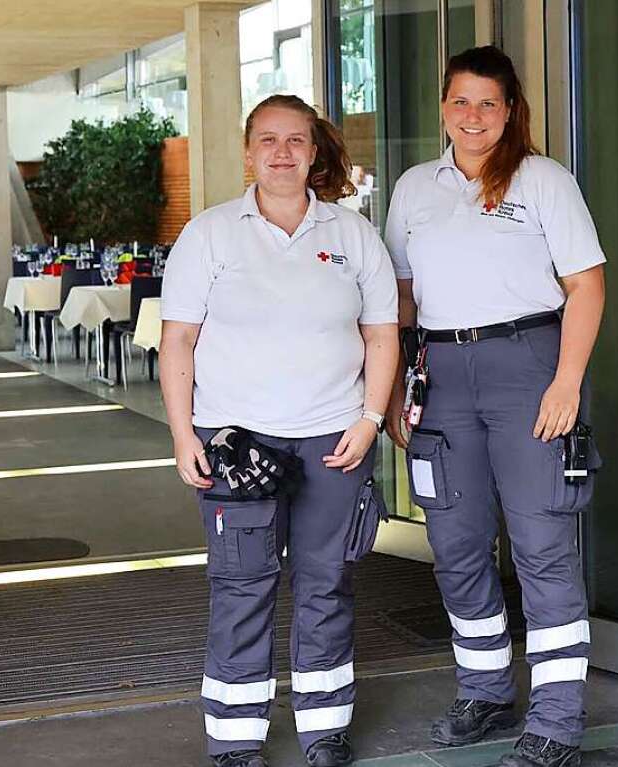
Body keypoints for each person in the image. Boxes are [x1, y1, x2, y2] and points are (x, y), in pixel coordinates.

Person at [159, 94, 399, 767]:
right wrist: (183, 434)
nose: (282, 153)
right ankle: (236, 741)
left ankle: (323, 730)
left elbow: (381, 333)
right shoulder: (208, 233)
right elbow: (177, 339)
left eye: (295, 140)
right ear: (246, 150)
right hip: (236, 444)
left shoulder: (352, 235)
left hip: (333, 440)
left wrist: (370, 418)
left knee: (326, 582)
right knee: (243, 584)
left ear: (315, 150)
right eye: (268, 139)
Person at [383, 46, 605, 767]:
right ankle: (483, 688)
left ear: (510, 110)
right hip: (439, 373)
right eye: (459, 101)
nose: (471, 116)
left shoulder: (542, 180)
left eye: (487, 102)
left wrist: (567, 381)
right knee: (453, 542)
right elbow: (400, 299)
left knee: (540, 544)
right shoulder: (415, 187)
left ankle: (556, 719)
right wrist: (389, 390)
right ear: (442, 108)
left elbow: (586, 284)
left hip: (528, 367)